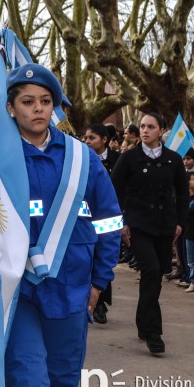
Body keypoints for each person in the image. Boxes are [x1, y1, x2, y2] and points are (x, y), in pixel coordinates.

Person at [0, 64, 121, 387]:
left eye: (45, 102)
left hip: (73, 286)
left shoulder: (83, 158)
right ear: (10, 108)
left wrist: (101, 280)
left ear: (56, 107)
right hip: (17, 288)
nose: (38, 109)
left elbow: (108, 220)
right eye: (27, 102)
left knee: (62, 383)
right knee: (28, 378)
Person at [111, 112, 187, 355]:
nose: (145, 130)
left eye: (150, 126)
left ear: (161, 130)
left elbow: (183, 194)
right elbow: (114, 191)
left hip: (165, 226)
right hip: (138, 225)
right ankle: (154, 332)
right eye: (142, 126)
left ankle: (143, 322)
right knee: (151, 269)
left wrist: (180, 223)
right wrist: (121, 222)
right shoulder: (129, 158)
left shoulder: (173, 160)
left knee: (156, 273)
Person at [83, 123, 120, 323]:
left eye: (92, 138)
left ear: (104, 140)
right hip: (85, 226)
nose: (88, 141)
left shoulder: (117, 159)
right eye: (86, 138)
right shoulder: (79, 158)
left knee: (102, 259)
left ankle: (100, 297)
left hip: (105, 215)